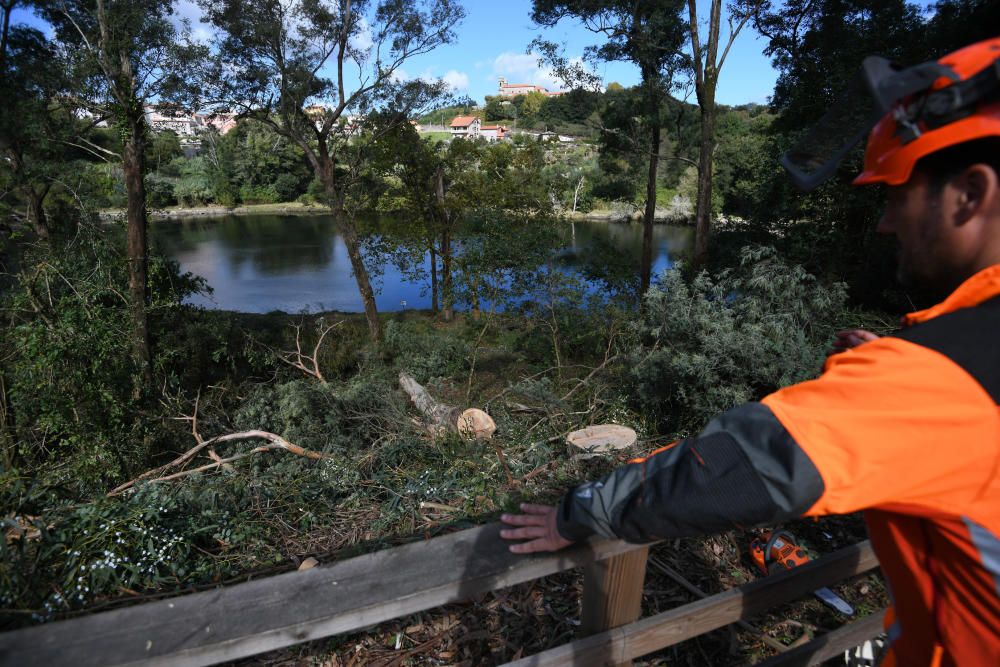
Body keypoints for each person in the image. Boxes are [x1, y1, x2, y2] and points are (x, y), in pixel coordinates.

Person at [500, 38, 1000, 666]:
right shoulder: (957, 372)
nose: (885, 222)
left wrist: (577, 515)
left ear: (970, 195)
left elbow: (736, 469)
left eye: (897, 194)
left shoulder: (946, 378)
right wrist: (908, 378)